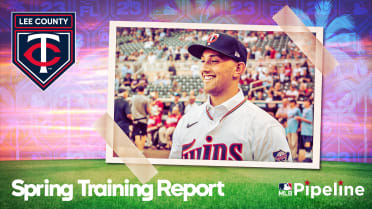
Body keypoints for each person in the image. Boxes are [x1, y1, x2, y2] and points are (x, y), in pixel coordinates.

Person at [169, 32, 291, 161]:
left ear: (238, 69)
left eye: (214, 61)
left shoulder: (266, 127)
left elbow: (280, 181)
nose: (204, 68)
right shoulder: (186, 121)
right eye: (203, 61)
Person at [131, 85, 151, 151]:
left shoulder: (133, 98)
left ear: (137, 90)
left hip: (135, 119)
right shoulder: (146, 99)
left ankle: (138, 150)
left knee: (136, 134)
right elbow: (148, 110)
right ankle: (141, 150)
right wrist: (150, 114)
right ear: (143, 90)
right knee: (143, 135)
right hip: (143, 119)